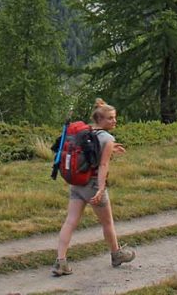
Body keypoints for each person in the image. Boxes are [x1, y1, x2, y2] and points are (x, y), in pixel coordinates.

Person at [51, 98, 135, 276]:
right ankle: (116, 254)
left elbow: (89, 153)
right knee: (107, 223)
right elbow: (103, 166)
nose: (114, 121)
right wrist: (101, 189)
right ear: (101, 119)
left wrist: (111, 149)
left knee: (70, 222)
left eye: (114, 117)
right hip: (93, 185)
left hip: (76, 184)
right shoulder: (108, 138)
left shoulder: (86, 132)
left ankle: (61, 262)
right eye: (110, 118)